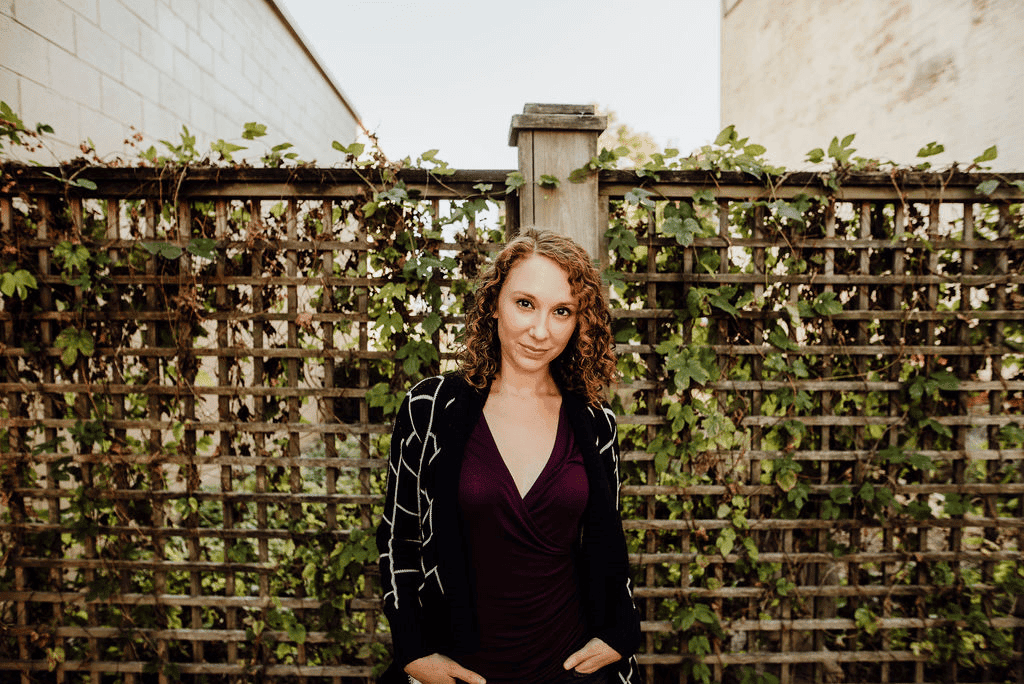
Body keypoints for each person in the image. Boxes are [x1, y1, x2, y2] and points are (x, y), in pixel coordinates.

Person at [376, 229, 641, 684]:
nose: (541, 331)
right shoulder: (430, 408)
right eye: (525, 303)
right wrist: (413, 651)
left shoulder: (596, 423)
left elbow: (609, 547)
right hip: (461, 670)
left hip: (571, 669)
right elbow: (399, 537)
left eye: (562, 311)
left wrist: (620, 631)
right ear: (494, 302)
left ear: (579, 321)